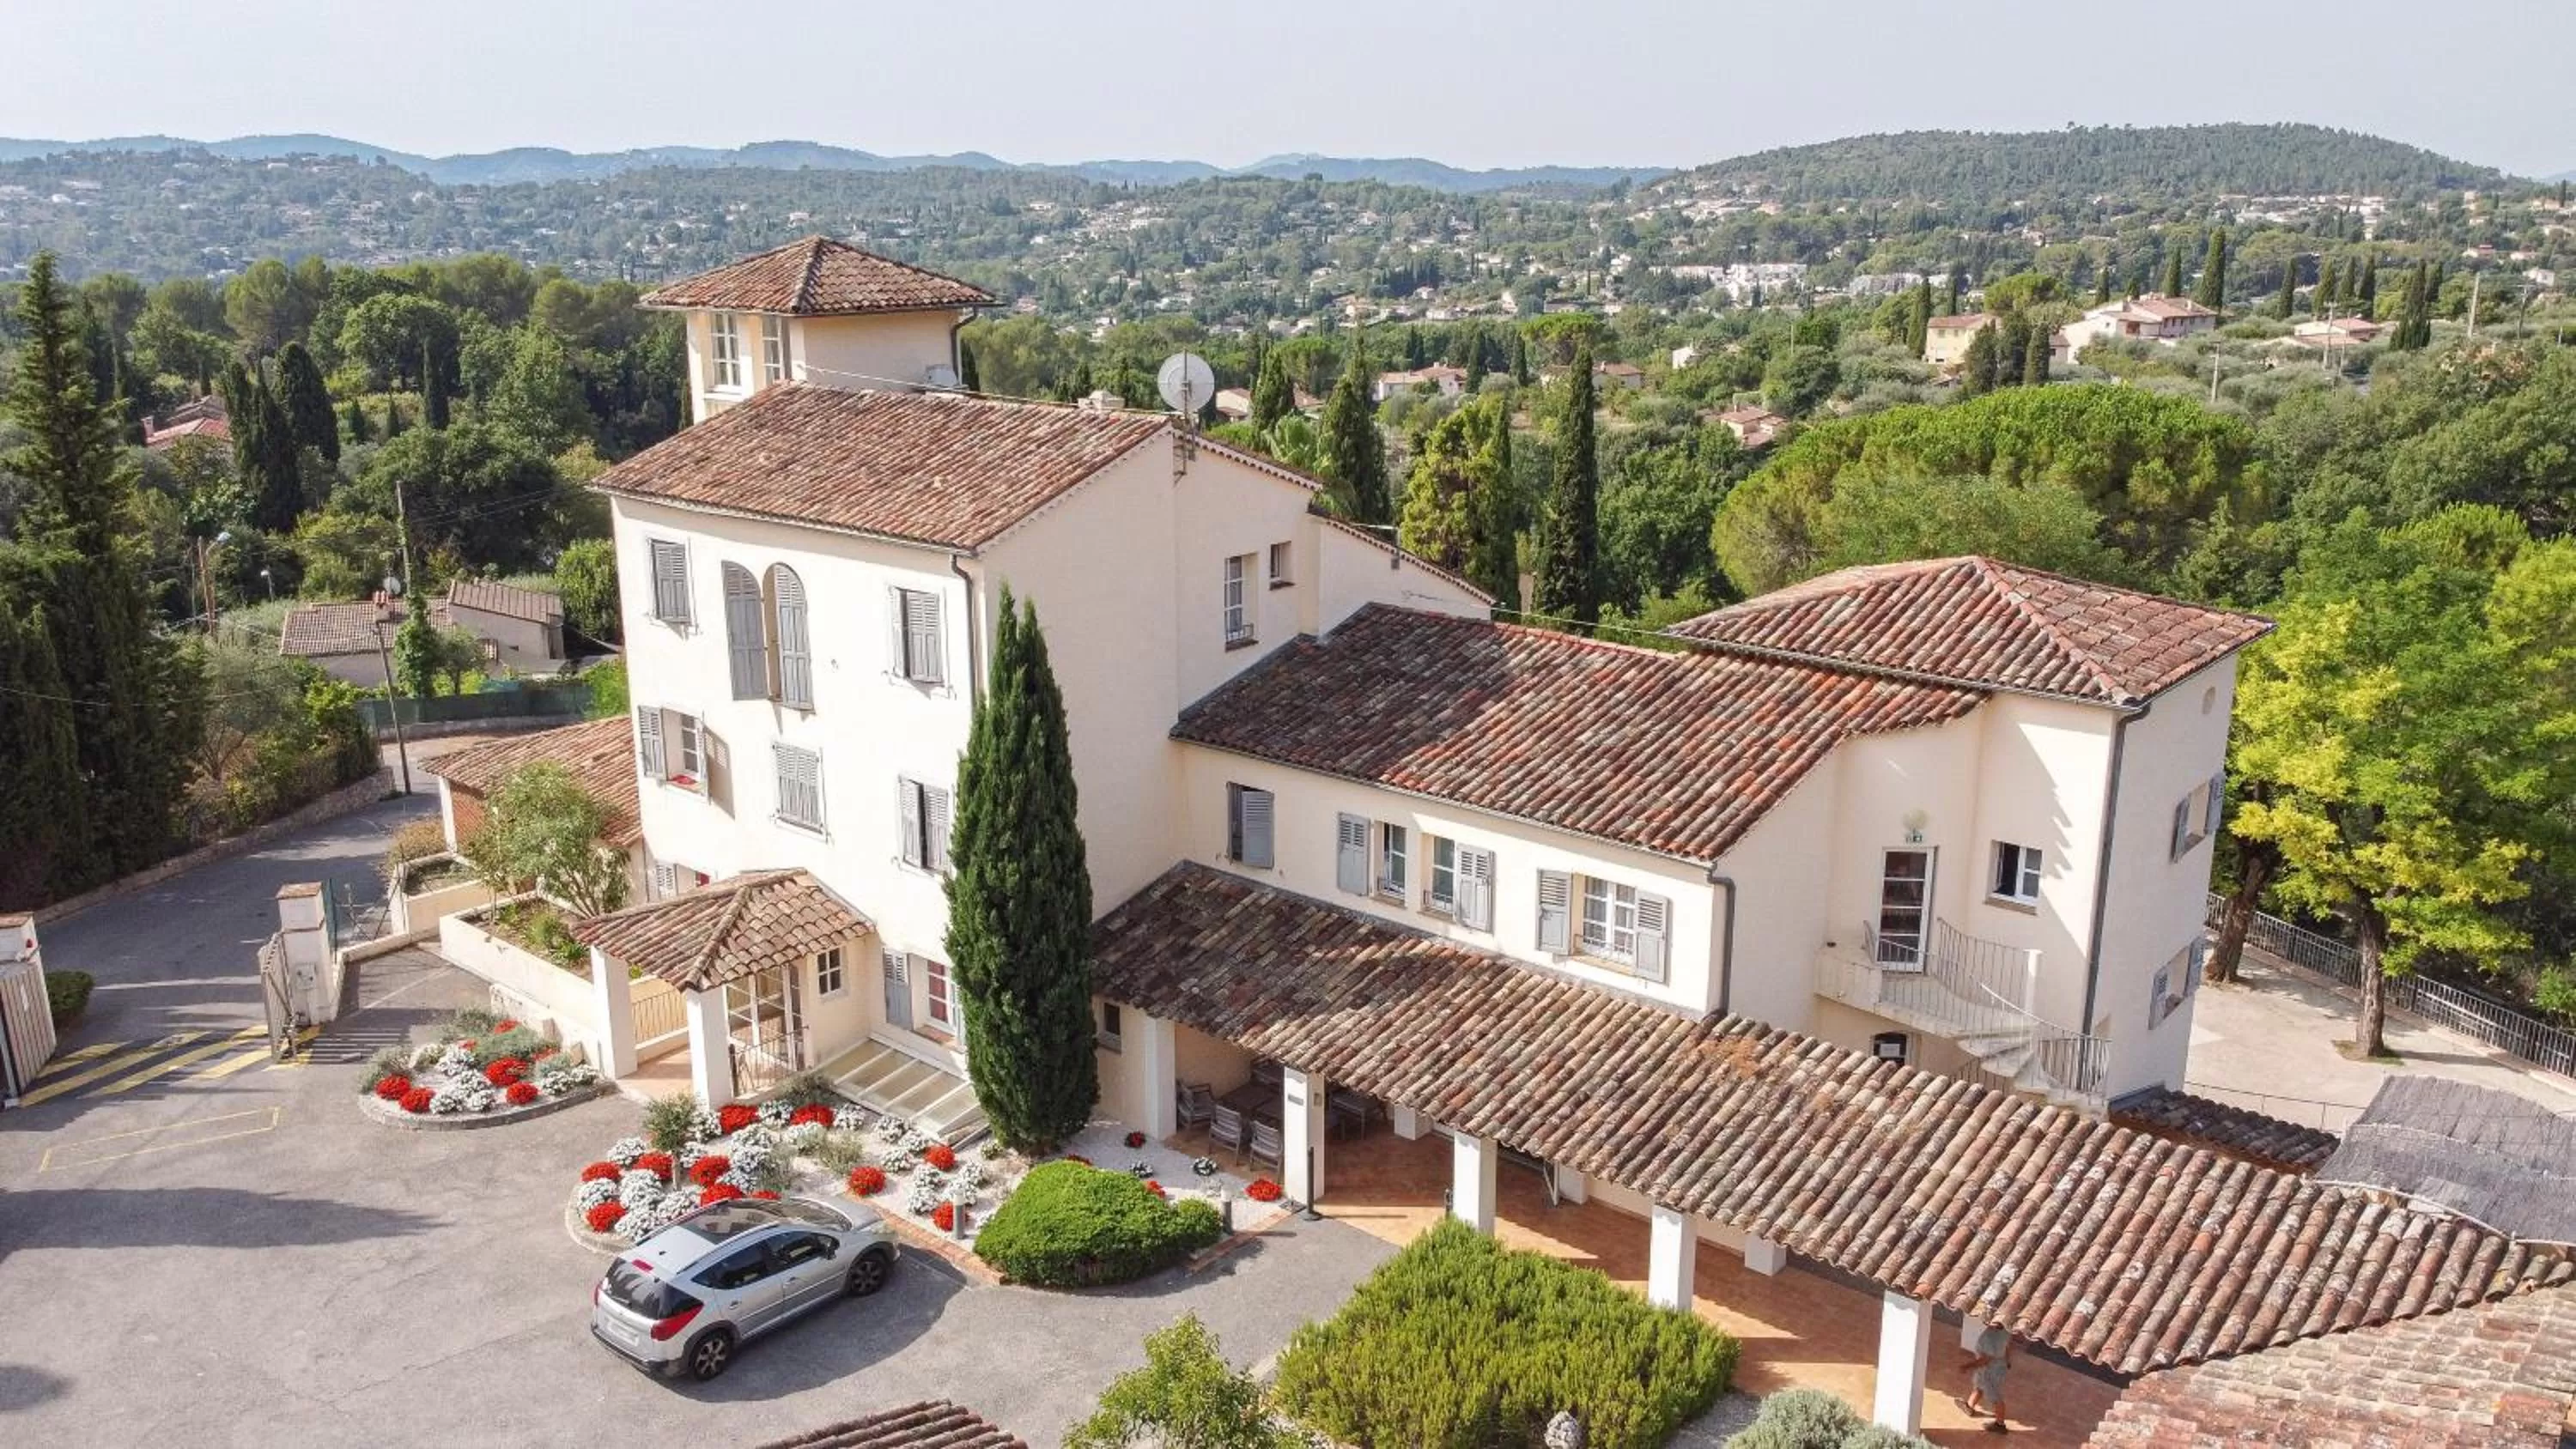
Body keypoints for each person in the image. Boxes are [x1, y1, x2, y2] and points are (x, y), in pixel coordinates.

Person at [1963, 1322, 2011, 1432]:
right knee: (1979, 1386)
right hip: (1996, 1368)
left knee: (1995, 1397)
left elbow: (1984, 1360)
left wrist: (1966, 1366)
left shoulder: (1988, 1338)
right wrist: (2007, 1361)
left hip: (1990, 1373)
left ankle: (2000, 1425)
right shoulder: (2006, 1330)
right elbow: (2007, 1346)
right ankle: (1969, 1407)